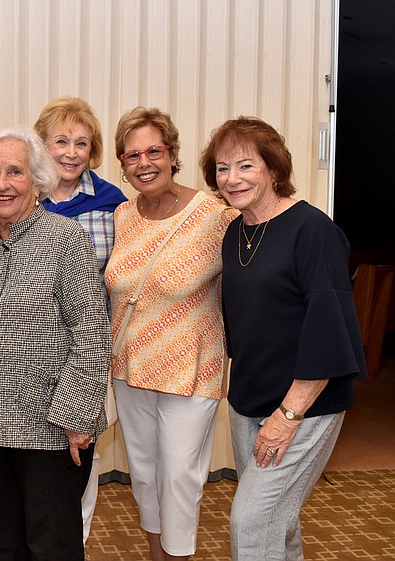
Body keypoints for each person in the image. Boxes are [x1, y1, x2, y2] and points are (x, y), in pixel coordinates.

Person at [199, 116, 366, 561]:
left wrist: (288, 416)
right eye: (221, 168)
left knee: (251, 521)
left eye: (245, 166)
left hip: (302, 407)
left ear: (273, 169)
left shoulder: (313, 231)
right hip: (248, 398)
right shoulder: (237, 230)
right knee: (278, 521)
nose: (231, 179)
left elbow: (330, 330)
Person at [0, 127, 110, 561]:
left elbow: (91, 337)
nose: (1, 184)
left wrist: (77, 417)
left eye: (14, 172)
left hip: (51, 430)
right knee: (2, 542)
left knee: (52, 545)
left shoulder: (65, 240)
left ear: (36, 180)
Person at [106, 106, 237, 561]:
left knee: (180, 475)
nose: (145, 163)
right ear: (122, 164)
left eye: (154, 151)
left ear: (173, 153)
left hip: (191, 370)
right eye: (132, 155)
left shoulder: (215, 215)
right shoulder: (121, 217)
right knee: (144, 473)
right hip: (129, 367)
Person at [33, 96, 127, 545]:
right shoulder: (19, 197)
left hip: (87, 351)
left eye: (82, 143)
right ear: (41, 145)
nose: (71, 153)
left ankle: (76, 544)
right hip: (29, 352)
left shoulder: (114, 204)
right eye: (61, 141)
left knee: (79, 458)